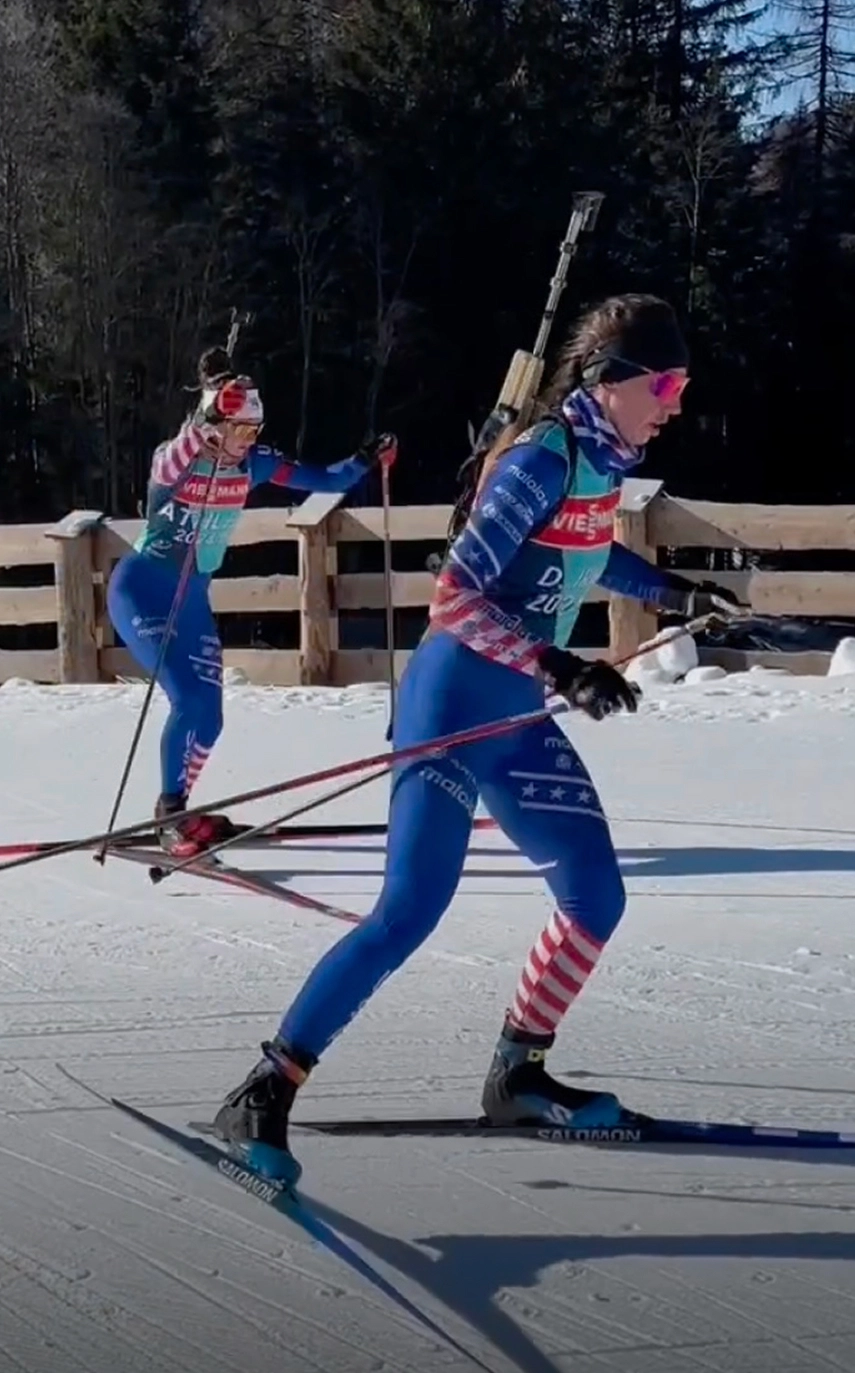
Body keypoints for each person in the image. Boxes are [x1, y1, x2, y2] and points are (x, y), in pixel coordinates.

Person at [212, 293, 738, 1185]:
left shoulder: (601, 460)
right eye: (666, 383)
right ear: (612, 382)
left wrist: (673, 589)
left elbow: (580, 555)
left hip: (516, 719)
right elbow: (454, 598)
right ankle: (266, 1086)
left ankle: (517, 1073)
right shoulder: (540, 459)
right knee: (407, 912)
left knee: (594, 895)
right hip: (453, 710)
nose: (676, 401)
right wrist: (559, 662)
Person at [108, 347, 390, 857]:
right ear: (215, 425)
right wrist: (207, 412)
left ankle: (180, 810)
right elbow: (170, 459)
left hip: (191, 596)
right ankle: (169, 814)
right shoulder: (178, 461)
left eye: (255, 431)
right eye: (240, 428)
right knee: (187, 699)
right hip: (144, 591)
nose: (249, 440)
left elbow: (323, 480)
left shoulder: (255, 465)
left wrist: (366, 460)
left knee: (210, 719)